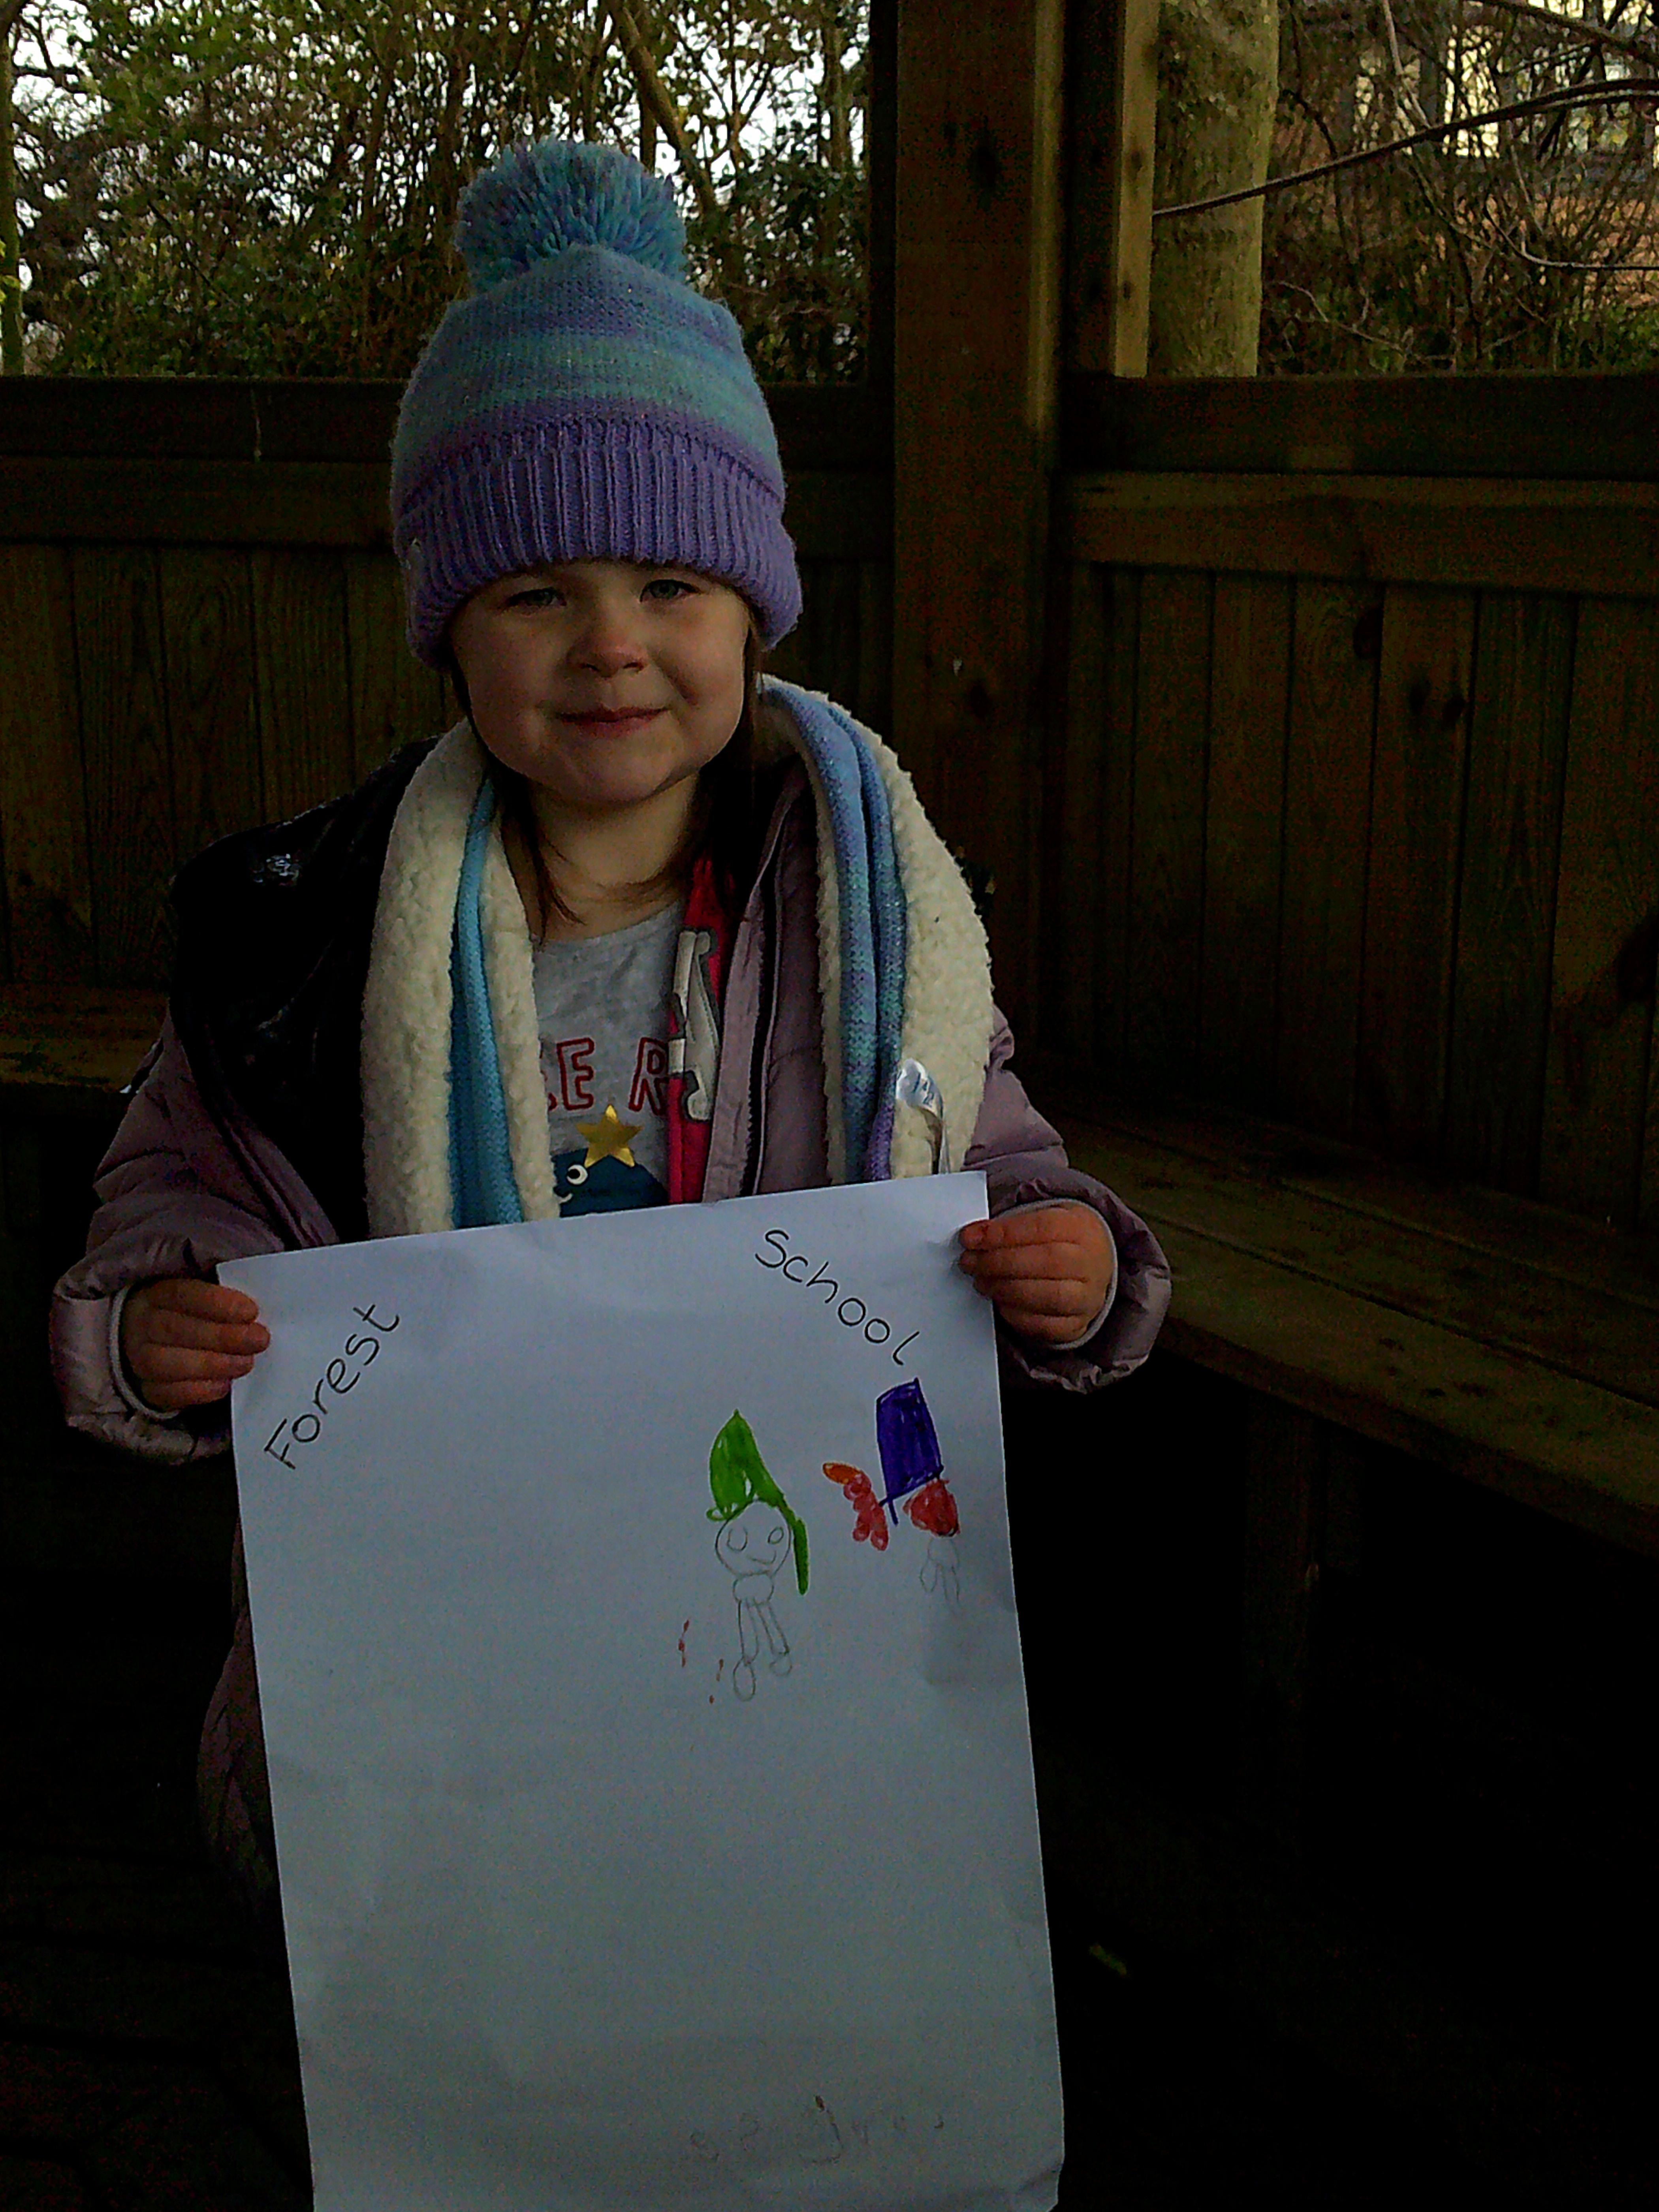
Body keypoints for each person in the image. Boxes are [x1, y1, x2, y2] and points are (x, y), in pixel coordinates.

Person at [49, 139, 1170, 1926]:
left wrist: (1069, 1260)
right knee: (492, 1967)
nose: (611, 647)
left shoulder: (861, 926)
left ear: (753, 610)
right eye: (535, 592)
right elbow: (187, 1169)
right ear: (450, 629)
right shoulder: (318, 938)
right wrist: (154, 1313)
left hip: (770, 1584)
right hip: (468, 1637)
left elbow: (989, 1157)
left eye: (670, 584)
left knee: (736, 1947)